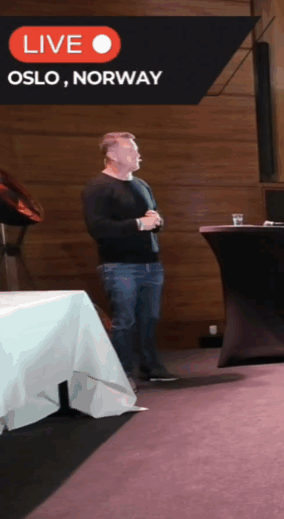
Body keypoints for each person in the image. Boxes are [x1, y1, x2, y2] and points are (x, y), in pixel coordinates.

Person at [81, 132, 175, 384]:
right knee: (125, 320)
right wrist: (140, 224)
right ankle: (121, 375)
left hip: (151, 263)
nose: (138, 155)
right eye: (131, 150)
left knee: (150, 318)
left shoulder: (142, 185)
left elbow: (152, 220)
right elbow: (98, 228)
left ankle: (151, 367)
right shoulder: (97, 188)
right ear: (112, 155)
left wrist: (156, 221)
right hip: (119, 264)